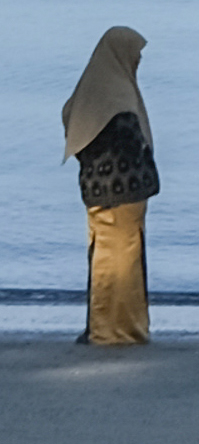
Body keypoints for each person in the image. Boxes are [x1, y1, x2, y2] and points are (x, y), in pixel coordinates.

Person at [61, 28, 153, 348]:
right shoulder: (119, 94)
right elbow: (129, 144)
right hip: (121, 195)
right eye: (135, 54)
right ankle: (116, 330)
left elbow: (70, 117)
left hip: (100, 191)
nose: (138, 60)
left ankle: (106, 327)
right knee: (120, 262)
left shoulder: (94, 88)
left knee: (106, 258)